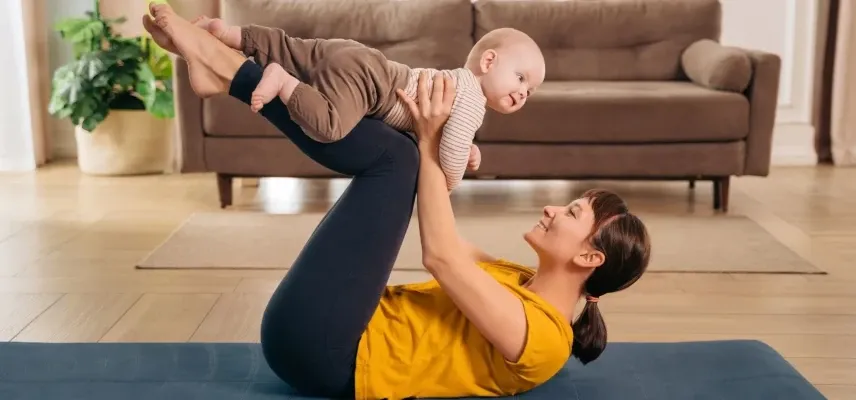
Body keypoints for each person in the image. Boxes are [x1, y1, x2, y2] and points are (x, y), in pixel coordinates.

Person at [142, 4, 651, 400]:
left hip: (327, 354)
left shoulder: (544, 340)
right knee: (399, 154)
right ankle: (230, 68)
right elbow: (444, 230)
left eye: (571, 213)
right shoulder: (518, 280)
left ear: (590, 257)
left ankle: (231, 68)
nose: (552, 209)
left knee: (399, 159)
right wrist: (432, 138)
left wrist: (431, 143)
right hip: (332, 326)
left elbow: (441, 256)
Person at [146, 10, 545, 191]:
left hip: (357, 56)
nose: (523, 93)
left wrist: (467, 147)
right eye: (521, 78)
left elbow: (448, 135)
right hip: (372, 85)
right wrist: (452, 180)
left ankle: (226, 35)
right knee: (330, 126)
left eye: (530, 91)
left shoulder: (459, 87)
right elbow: (451, 152)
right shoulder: (472, 99)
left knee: (291, 47)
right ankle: (282, 81)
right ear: (488, 62)